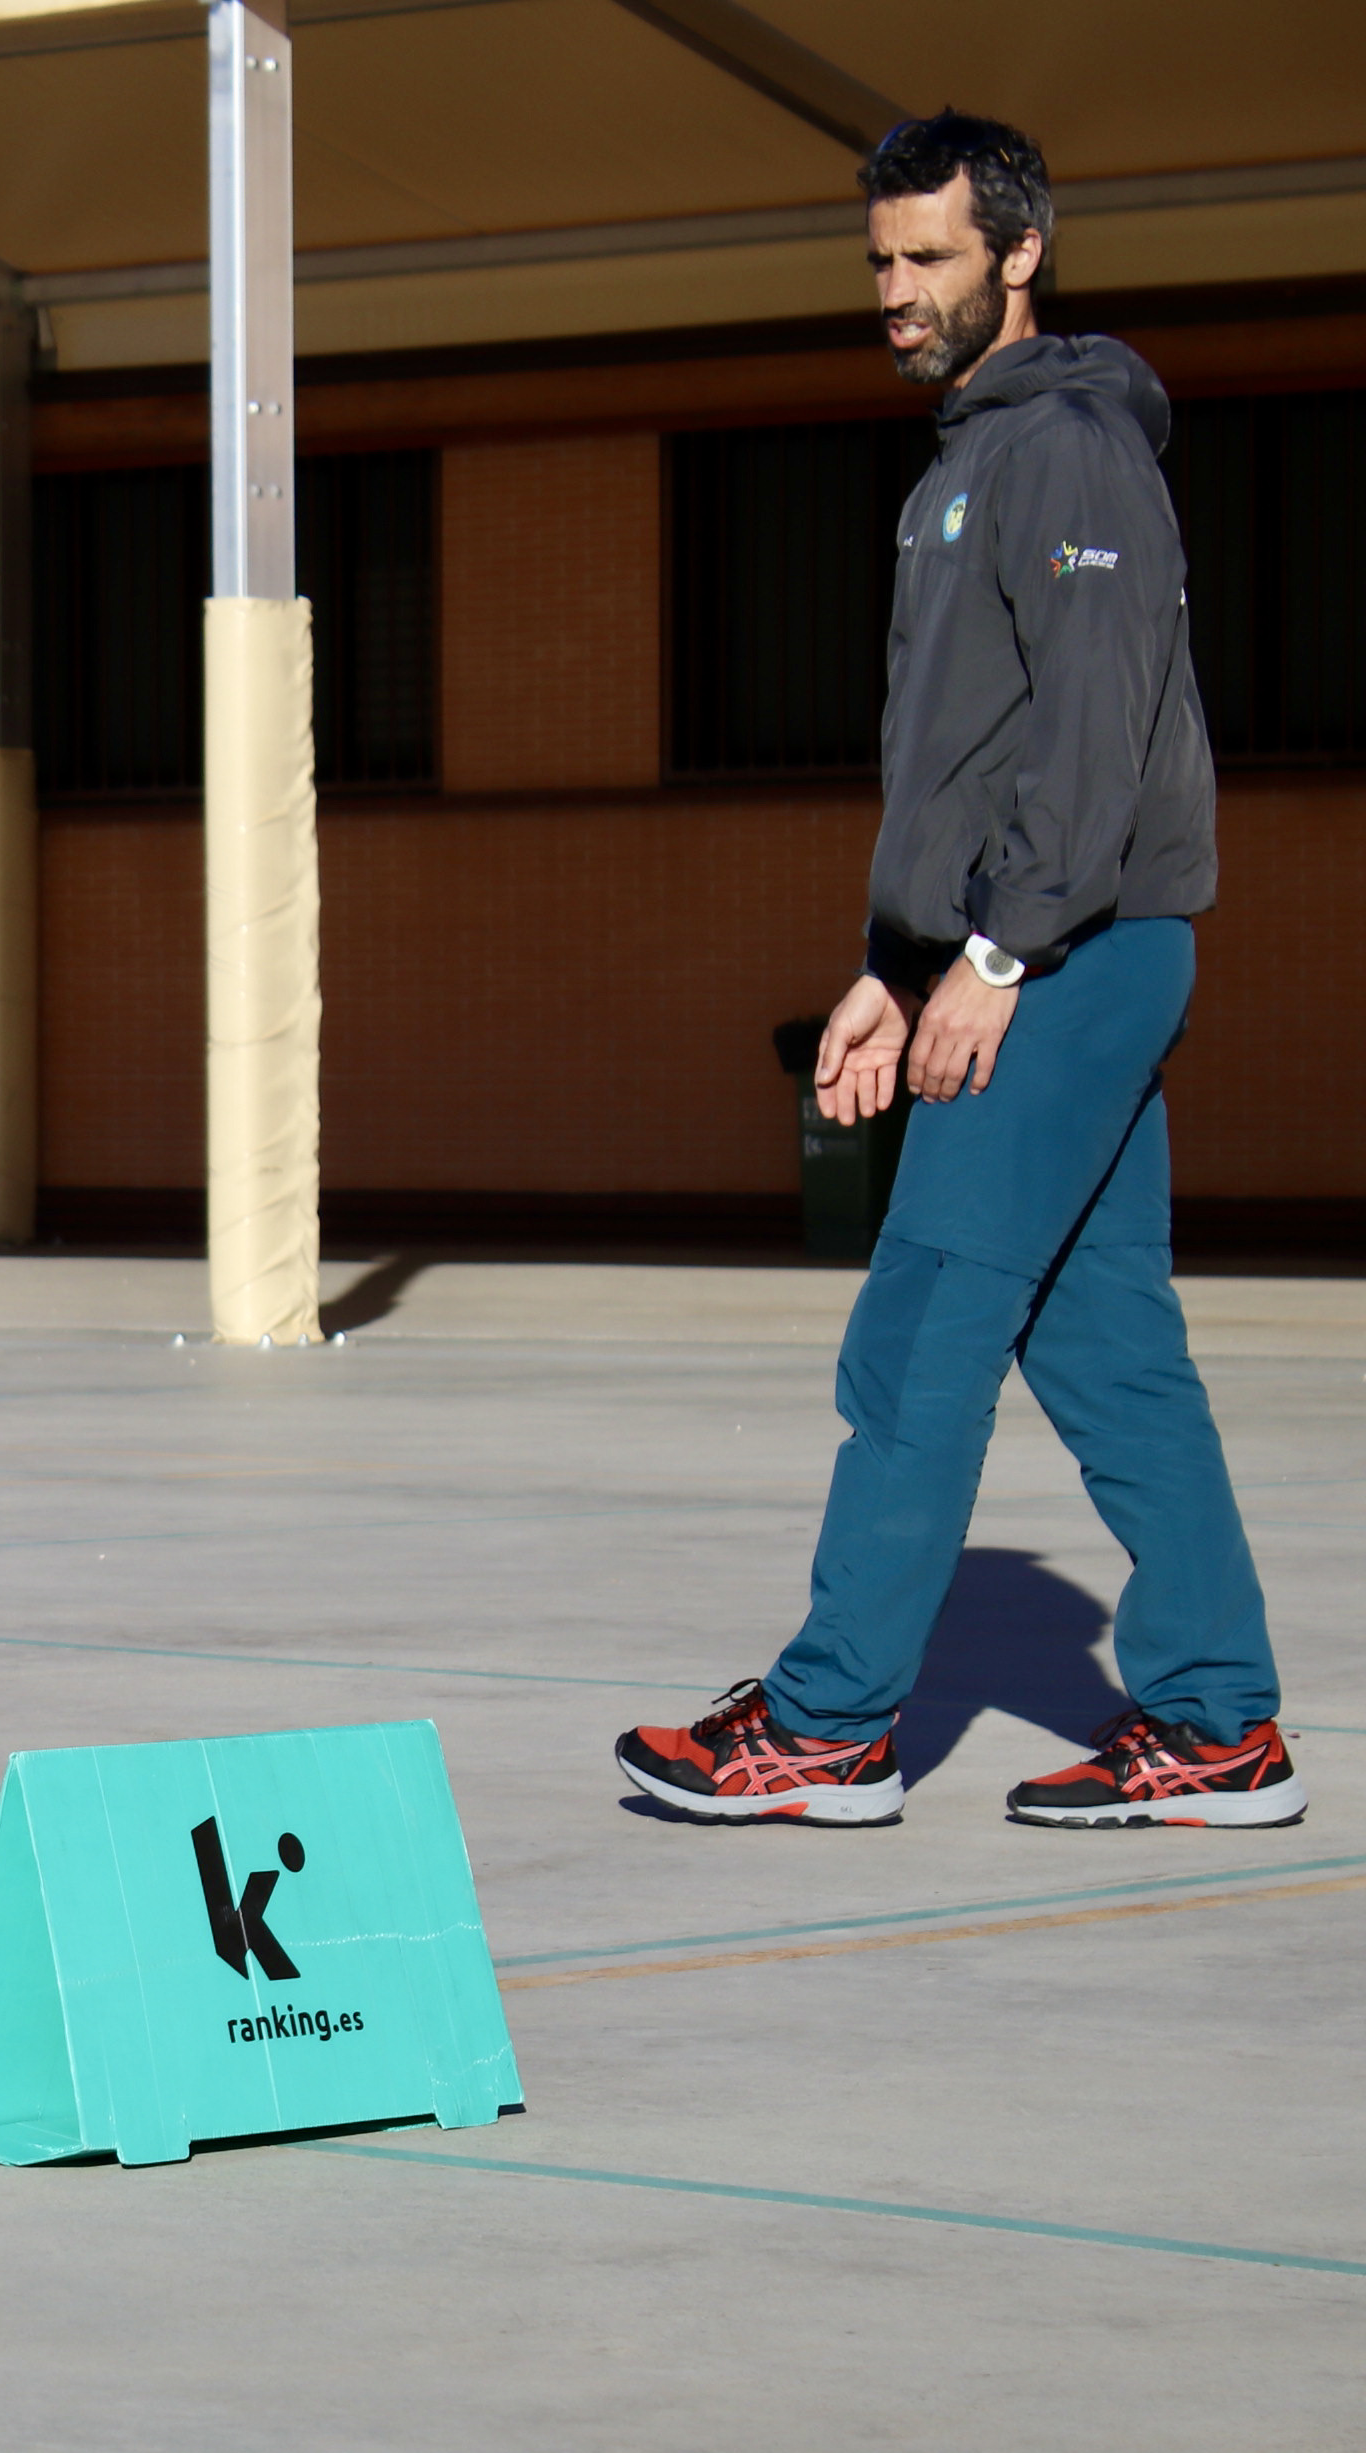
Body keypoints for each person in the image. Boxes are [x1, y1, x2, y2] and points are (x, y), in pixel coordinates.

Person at [618, 112, 1291, 1832]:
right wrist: (885, 966)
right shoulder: (958, 468)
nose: (894, 290)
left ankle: (829, 1725)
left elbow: (1088, 734)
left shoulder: (1064, 450)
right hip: (1019, 951)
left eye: (924, 257)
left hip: (1064, 956)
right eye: (877, 259)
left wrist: (989, 958)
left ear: (1015, 254)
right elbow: (963, 768)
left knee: (918, 1325)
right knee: (1106, 1348)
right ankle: (1216, 1723)